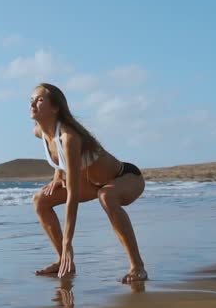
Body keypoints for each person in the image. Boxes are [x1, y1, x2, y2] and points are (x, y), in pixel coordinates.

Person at [30, 83, 147, 283]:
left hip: (125, 177)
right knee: (40, 200)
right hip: (94, 184)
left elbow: (72, 197)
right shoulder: (39, 132)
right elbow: (59, 159)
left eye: (40, 100)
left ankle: (138, 267)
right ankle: (64, 261)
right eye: (31, 100)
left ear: (55, 108)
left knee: (106, 196)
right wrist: (58, 176)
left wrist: (68, 242)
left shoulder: (70, 138)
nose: (33, 104)